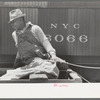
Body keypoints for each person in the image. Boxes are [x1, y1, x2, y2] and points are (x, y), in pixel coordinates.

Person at [6, 8, 73, 80]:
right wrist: (15, 65)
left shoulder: (35, 29)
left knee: (64, 65)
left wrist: (53, 55)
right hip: (28, 61)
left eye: (13, 21)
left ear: (21, 20)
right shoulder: (14, 34)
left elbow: (45, 42)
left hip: (42, 57)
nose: (12, 24)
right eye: (11, 22)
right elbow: (20, 50)